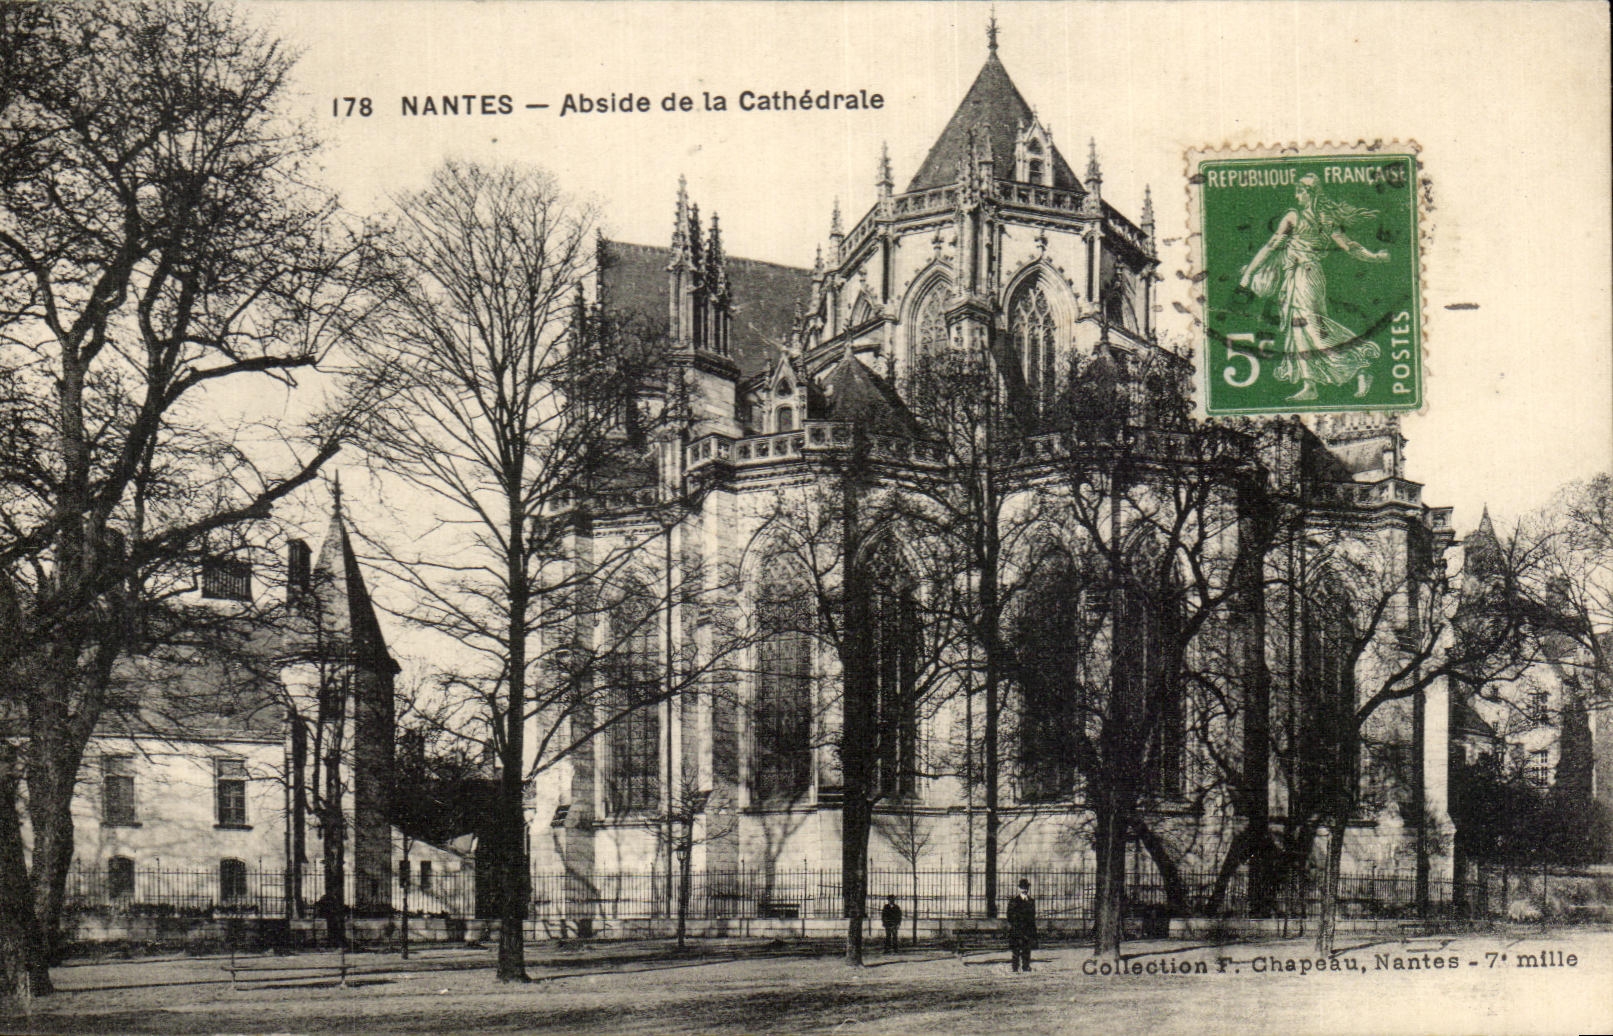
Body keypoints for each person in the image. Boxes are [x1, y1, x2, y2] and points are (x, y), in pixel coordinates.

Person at [1239, 172, 1389, 402]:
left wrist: (1249, 273)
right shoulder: (1322, 218)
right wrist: (1375, 257)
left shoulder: (1297, 217)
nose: (1296, 195)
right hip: (1299, 276)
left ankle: (1360, 363)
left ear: (1308, 194)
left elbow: (1271, 246)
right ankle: (1310, 385)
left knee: (1313, 328)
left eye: (1300, 191)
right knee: (1299, 329)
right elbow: (1350, 247)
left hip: (1305, 276)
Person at [1006, 877, 1036, 972]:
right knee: (1016, 949)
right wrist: (1018, 922)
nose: (1025, 889)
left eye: (1026, 887)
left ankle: (1026, 966)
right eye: (1023, 887)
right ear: (1019, 889)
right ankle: (1015, 967)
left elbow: (1032, 916)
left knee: (1027, 949)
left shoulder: (1031, 901)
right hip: (1017, 929)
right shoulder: (1014, 901)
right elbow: (1009, 916)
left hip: (1028, 929)